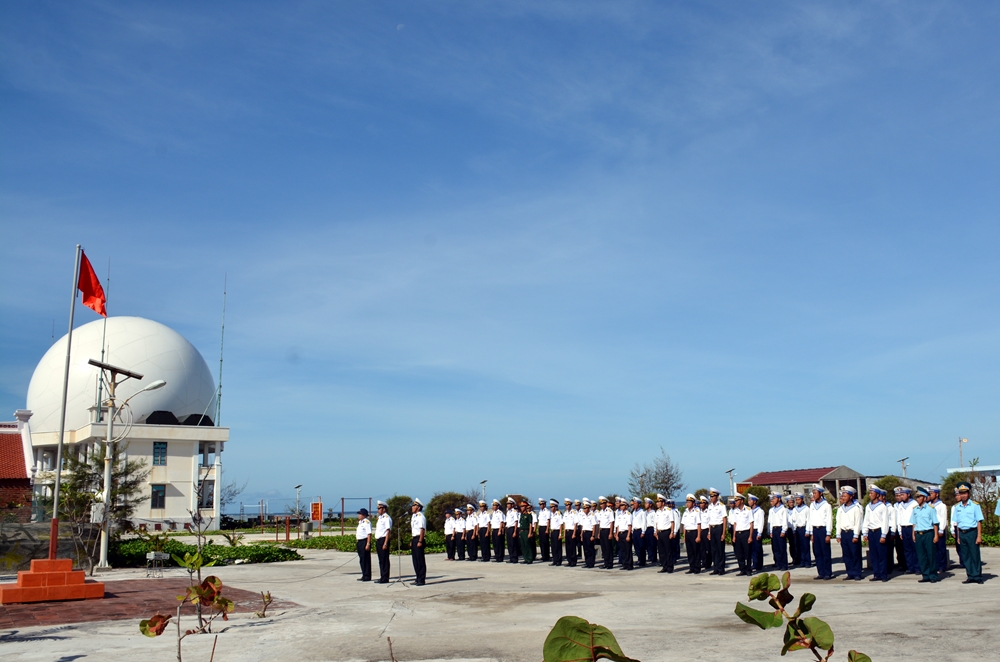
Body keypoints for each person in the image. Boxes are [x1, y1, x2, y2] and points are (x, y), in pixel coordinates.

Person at [952, 481, 985, 584]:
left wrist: (979, 536)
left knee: (974, 555)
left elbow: (979, 521)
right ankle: (970, 575)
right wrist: (958, 536)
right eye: (961, 493)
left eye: (965, 493)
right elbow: (957, 523)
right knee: (966, 555)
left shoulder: (975, 505)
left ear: (968, 493)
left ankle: (977, 576)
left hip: (972, 532)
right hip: (962, 532)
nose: (963, 495)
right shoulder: (957, 507)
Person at [911, 487, 940, 583]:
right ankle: (925, 575)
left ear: (924, 498)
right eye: (917, 497)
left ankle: (933, 575)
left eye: (920, 497)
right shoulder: (915, 509)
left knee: (930, 555)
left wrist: (936, 535)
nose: (918, 499)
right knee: (921, 555)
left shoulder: (930, 509)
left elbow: (935, 523)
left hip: (928, 533)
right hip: (919, 534)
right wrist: (913, 534)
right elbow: (914, 523)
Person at [834, 486, 863, 581]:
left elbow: (858, 522)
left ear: (851, 496)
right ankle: (850, 572)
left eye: (845, 496)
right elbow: (838, 522)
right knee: (846, 554)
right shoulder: (841, 509)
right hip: (844, 533)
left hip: (852, 532)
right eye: (842, 496)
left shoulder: (857, 507)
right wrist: (838, 534)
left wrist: (856, 535)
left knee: (855, 553)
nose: (843, 497)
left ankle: (857, 573)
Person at [862, 486, 890, 581]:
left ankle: (883, 574)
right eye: (869, 493)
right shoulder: (868, 506)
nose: (870, 495)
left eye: (872, 493)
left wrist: (883, 534)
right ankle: (876, 574)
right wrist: (865, 532)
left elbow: (885, 521)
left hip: (879, 531)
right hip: (871, 531)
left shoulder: (882, 506)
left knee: (881, 554)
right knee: (873, 554)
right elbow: (866, 520)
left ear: (877, 495)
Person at [807, 486, 833, 580]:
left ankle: (827, 573)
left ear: (820, 493)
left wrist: (828, 534)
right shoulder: (812, 505)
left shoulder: (826, 505)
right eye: (813, 493)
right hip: (815, 530)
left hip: (823, 529)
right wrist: (811, 533)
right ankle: (820, 572)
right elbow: (810, 519)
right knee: (817, 552)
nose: (814, 495)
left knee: (825, 552)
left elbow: (829, 520)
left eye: (815, 493)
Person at [895, 487, 918, 575]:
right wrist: (900, 531)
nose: (901, 496)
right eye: (900, 495)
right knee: (907, 549)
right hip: (904, 528)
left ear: (908, 494)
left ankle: (917, 567)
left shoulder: (914, 504)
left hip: (911, 527)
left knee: (914, 548)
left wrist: (915, 530)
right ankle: (910, 567)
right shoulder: (901, 505)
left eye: (903, 495)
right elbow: (899, 519)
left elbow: (915, 518)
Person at [706, 488, 728, 575]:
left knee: (720, 549)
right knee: (713, 550)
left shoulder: (721, 506)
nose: (711, 498)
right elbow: (709, 520)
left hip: (719, 528)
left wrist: (723, 533)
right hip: (712, 528)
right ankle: (715, 568)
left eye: (712, 496)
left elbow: (724, 519)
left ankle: (721, 568)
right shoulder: (710, 506)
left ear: (717, 496)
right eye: (710, 496)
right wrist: (708, 532)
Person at [730, 494, 753, 576]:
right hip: (738, 533)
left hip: (745, 533)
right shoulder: (735, 511)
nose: (735, 502)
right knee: (739, 553)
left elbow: (751, 524)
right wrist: (734, 536)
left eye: (737, 500)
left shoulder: (748, 510)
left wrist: (750, 536)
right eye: (735, 501)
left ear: (742, 501)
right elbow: (735, 524)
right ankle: (742, 569)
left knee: (748, 552)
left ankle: (749, 569)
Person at [928, 486, 949, 574]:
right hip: (931, 529)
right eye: (929, 493)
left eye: (932, 493)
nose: (930, 495)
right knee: (933, 549)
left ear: (937, 494)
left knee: (941, 548)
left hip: (939, 529)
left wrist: (941, 530)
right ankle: (935, 565)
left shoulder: (941, 505)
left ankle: (942, 566)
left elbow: (943, 518)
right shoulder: (929, 505)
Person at [654, 494, 677, 573]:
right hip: (660, 532)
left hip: (666, 532)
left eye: (658, 502)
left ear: (663, 503)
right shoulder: (657, 512)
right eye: (656, 502)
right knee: (661, 551)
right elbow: (657, 523)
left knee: (668, 550)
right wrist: (656, 532)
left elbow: (672, 522)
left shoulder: (668, 510)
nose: (657, 503)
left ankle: (670, 567)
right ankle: (664, 566)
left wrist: (672, 532)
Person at [767, 493, 789, 571]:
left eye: (775, 498)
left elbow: (784, 521)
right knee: (775, 548)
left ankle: (784, 565)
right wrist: (770, 531)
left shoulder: (783, 509)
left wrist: (783, 530)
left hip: (780, 528)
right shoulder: (772, 510)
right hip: (774, 529)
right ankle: (778, 563)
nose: (773, 500)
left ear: (779, 499)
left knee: (782, 548)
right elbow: (771, 522)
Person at [681, 494, 702, 574]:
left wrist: (698, 536)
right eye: (687, 502)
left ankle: (697, 568)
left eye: (689, 502)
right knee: (689, 552)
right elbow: (684, 525)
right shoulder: (686, 512)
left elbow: (699, 524)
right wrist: (684, 535)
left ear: (693, 503)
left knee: (696, 551)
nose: (687, 503)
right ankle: (691, 567)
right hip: (688, 533)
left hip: (694, 532)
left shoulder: (697, 511)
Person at [791, 493, 811, 569]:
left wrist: (807, 531)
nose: (797, 501)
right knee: (799, 546)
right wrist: (794, 530)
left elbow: (808, 520)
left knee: (805, 546)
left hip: (804, 528)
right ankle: (802, 561)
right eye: (796, 500)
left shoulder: (806, 509)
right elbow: (794, 520)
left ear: (802, 500)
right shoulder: (795, 509)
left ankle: (807, 562)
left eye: (799, 499)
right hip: (798, 529)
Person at [374, 501, 393, 583]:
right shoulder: (380, 518)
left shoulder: (386, 518)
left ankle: (385, 577)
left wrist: (385, 543)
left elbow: (388, 531)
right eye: (378, 508)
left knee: (384, 559)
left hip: (383, 539)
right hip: (379, 539)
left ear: (384, 509)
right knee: (381, 559)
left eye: (379, 508)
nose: (378, 510)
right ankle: (382, 576)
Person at [410, 498, 427, 586]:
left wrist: (420, 540)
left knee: (420, 560)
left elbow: (422, 530)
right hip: (414, 538)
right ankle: (417, 577)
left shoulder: (421, 517)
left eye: (414, 506)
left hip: (419, 539)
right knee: (415, 560)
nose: (412, 507)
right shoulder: (414, 516)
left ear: (418, 508)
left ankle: (421, 579)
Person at [748, 494, 765, 574]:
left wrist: (759, 533)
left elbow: (761, 522)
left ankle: (759, 564)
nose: (748, 502)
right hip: (751, 530)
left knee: (758, 548)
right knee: (752, 548)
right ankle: (754, 563)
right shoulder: (749, 510)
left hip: (757, 530)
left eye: (750, 500)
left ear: (754, 501)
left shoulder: (760, 511)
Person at [615, 498, 633, 570]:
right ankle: (624, 564)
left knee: (628, 550)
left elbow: (629, 525)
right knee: (622, 550)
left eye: (622, 505)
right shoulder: (620, 514)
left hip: (626, 533)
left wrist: (628, 535)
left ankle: (629, 565)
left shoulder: (628, 514)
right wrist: (616, 534)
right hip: (620, 533)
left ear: (626, 506)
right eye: (621, 505)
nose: (621, 506)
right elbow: (618, 525)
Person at [355, 507, 372, 582]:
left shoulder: (366, 522)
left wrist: (368, 544)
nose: (358, 515)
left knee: (365, 559)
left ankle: (367, 575)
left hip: (364, 541)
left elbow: (369, 534)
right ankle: (364, 574)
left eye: (360, 514)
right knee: (362, 559)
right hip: (359, 542)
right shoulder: (360, 522)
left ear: (364, 515)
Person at [580, 499, 598, 568]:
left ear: (588, 508)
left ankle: (591, 563)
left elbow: (594, 526)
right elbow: (582, 525)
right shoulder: (583, 515)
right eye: (583, 508)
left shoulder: (592, 515)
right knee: (585, 548)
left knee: (590, 548)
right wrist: (581, 534)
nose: (584, 509)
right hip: (584, 532)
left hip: (589, 533)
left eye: (585, 508)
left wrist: (593, 535)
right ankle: (587, 562)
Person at [598, 496, 615, 568]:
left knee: (608, 547)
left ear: (605, 503)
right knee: (603, 548)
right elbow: (600, 523)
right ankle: (605, 562)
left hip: (607, 530)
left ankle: (610, 563)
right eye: (600, 504)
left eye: (602, 503)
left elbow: (611, 522)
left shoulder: (609, 511)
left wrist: (611, 533)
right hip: (602, 530)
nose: (601, 505)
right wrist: (599, 532)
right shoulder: (601, 512)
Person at [518, 500, 536, 564]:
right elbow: (520, 524)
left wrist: (530, 533)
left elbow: (530, 524)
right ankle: (525, 558)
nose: (521, 508)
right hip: (522, 531)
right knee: (523, 546)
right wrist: (520, 532)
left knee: (527, 545)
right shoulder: (522, 515)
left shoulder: (529, 515)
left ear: (525, 507)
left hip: (526, 531)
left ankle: (530, 558)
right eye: (521, 506)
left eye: (523, 506)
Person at [631, 497, 646, 567]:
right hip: (635, 530)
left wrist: (643, 532)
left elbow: (644, 522)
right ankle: (639, 559)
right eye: (634, 503)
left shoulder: (642, 512)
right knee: (636, 546)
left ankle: (643, 560)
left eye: (636, 503)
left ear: (639, 504)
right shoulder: (633, 512)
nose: (634, 504)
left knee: (641, 546)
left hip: (640, 530)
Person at [698, 496, 713, 572]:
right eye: (700, 503)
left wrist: (709, 532)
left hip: (707, 530)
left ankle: (708, 563)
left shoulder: (709, 512)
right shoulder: (699, 512)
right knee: (702, 548)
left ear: (706, 504)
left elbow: (710, 522)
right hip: (700, 531)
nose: (701, 504)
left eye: (702, 503)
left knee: (708, 548)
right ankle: (703, 562)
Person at [785, 495, 799, 567]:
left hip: (795, 529)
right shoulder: (786, 511)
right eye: (790, 502)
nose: (791, 504)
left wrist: (794, 530)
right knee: (791, 545)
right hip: (789, 529)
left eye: (792, 502)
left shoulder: (796, 510)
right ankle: (793, 558)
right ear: (787, 503)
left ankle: (797, 559)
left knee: (796, 545)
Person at [549, 500, 564, 566]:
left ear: (555, 507)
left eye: (552, 507)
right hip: (552, 531)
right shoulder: (551, 514)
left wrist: (560, 534)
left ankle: (558, 560)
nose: (551, 508)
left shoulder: (559, 514)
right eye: (551, 507)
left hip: (557, 531)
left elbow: (561, 524)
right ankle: (554, 560)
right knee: (553, 547)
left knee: (558, 547)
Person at [563, 498, 578, 567]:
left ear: (571, 505)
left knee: (572, 547)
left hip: (572, 531)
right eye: (566, 505)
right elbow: (564, 523)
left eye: (568, 505)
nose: (567, 506)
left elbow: (575, 524)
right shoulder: (565, 513)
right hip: (567, 531)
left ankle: (573, 561)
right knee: (568, 547)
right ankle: (569, 561)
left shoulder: (574, 513)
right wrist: (564, 533)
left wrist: (574, 533)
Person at [505, 498, 519, 563]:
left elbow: (516, 522)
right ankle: (511, 557)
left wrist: (515, 531)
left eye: (509, 504)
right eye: (507, 504)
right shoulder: (508, 512)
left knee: (513, 544)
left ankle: (515, 558)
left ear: (512, 505)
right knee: (509, 544)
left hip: (513, 528)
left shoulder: (514, 512)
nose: (508, 505)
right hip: (508, 528)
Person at [644, 498, 657, 566]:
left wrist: (655, 531)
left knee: (652, 544)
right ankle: (649, 556)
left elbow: (655, 522)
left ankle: (653, 558)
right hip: (646, 529)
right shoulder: (645, 513)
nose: (645, 505)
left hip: (651, 528)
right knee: (648, 544)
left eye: (646, 503)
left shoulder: (653, 512)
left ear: (650, 504)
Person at [537, 498, 551, 562]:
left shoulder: (547, 511)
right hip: (541, 527)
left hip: (545, 527)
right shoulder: (540, 512)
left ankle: (546, 556)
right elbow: (539, 521)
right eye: (540, 504)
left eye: (542, 504)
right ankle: (543, 555)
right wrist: (538, 529)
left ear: (544, 505)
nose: (540, 506)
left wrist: (547, 529)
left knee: (545, 542)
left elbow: (548, 521)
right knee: (541, 543)